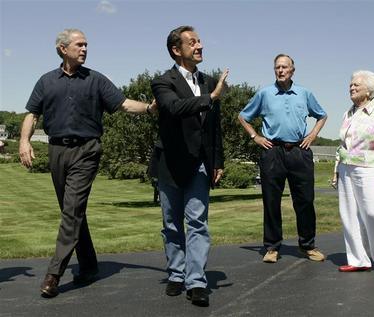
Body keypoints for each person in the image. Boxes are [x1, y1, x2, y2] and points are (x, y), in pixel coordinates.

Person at [19, 28, 157, 298]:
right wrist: (24, 142)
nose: (84, 49)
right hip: (57, 151)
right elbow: (32, 114)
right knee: (72, 211)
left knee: (71, 211)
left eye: (86, 45)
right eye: (79, 45)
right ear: (63, 49)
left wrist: (150, 108)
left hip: (87, 151)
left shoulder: (95, 80)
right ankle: (90, 265)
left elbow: (124, 104)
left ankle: (54, 274)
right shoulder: (46, 81)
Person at [150, 26, 228, 307]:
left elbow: (213, 128)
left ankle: (196, 281)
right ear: (176, 49)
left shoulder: (208, 82)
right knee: (171, 224)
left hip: (200, 165)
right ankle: (175, 273)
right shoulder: (162, 82)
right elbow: (173, 108)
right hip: (169, 163)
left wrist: (217, 160)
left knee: (197, 223)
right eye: (192, 42)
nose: (200, 46)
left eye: (200, 41)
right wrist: (211, 98)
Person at [238, 54, 327, 264]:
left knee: (305, 200)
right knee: (271, 201)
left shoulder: (304, 93)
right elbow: (243, 116)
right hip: (272, 151)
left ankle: (308, 246)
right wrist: (255, 137)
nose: (280, 70)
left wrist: (312, 135)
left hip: (299, 151)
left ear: (292, 70)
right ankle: (271, 247)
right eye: (277, 67)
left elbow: (322, 115)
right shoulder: (265, 94)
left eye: (284, 67)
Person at [335, 70, 374, 274]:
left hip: (371, 169)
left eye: (357, 85)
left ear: (370, 90)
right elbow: (343, 145)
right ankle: (357, 259)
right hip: (346, 169)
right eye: (351, 84)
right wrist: (337, 167)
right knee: (348, 215)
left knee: (373, 212)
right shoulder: (348, 113)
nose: (351, 87)